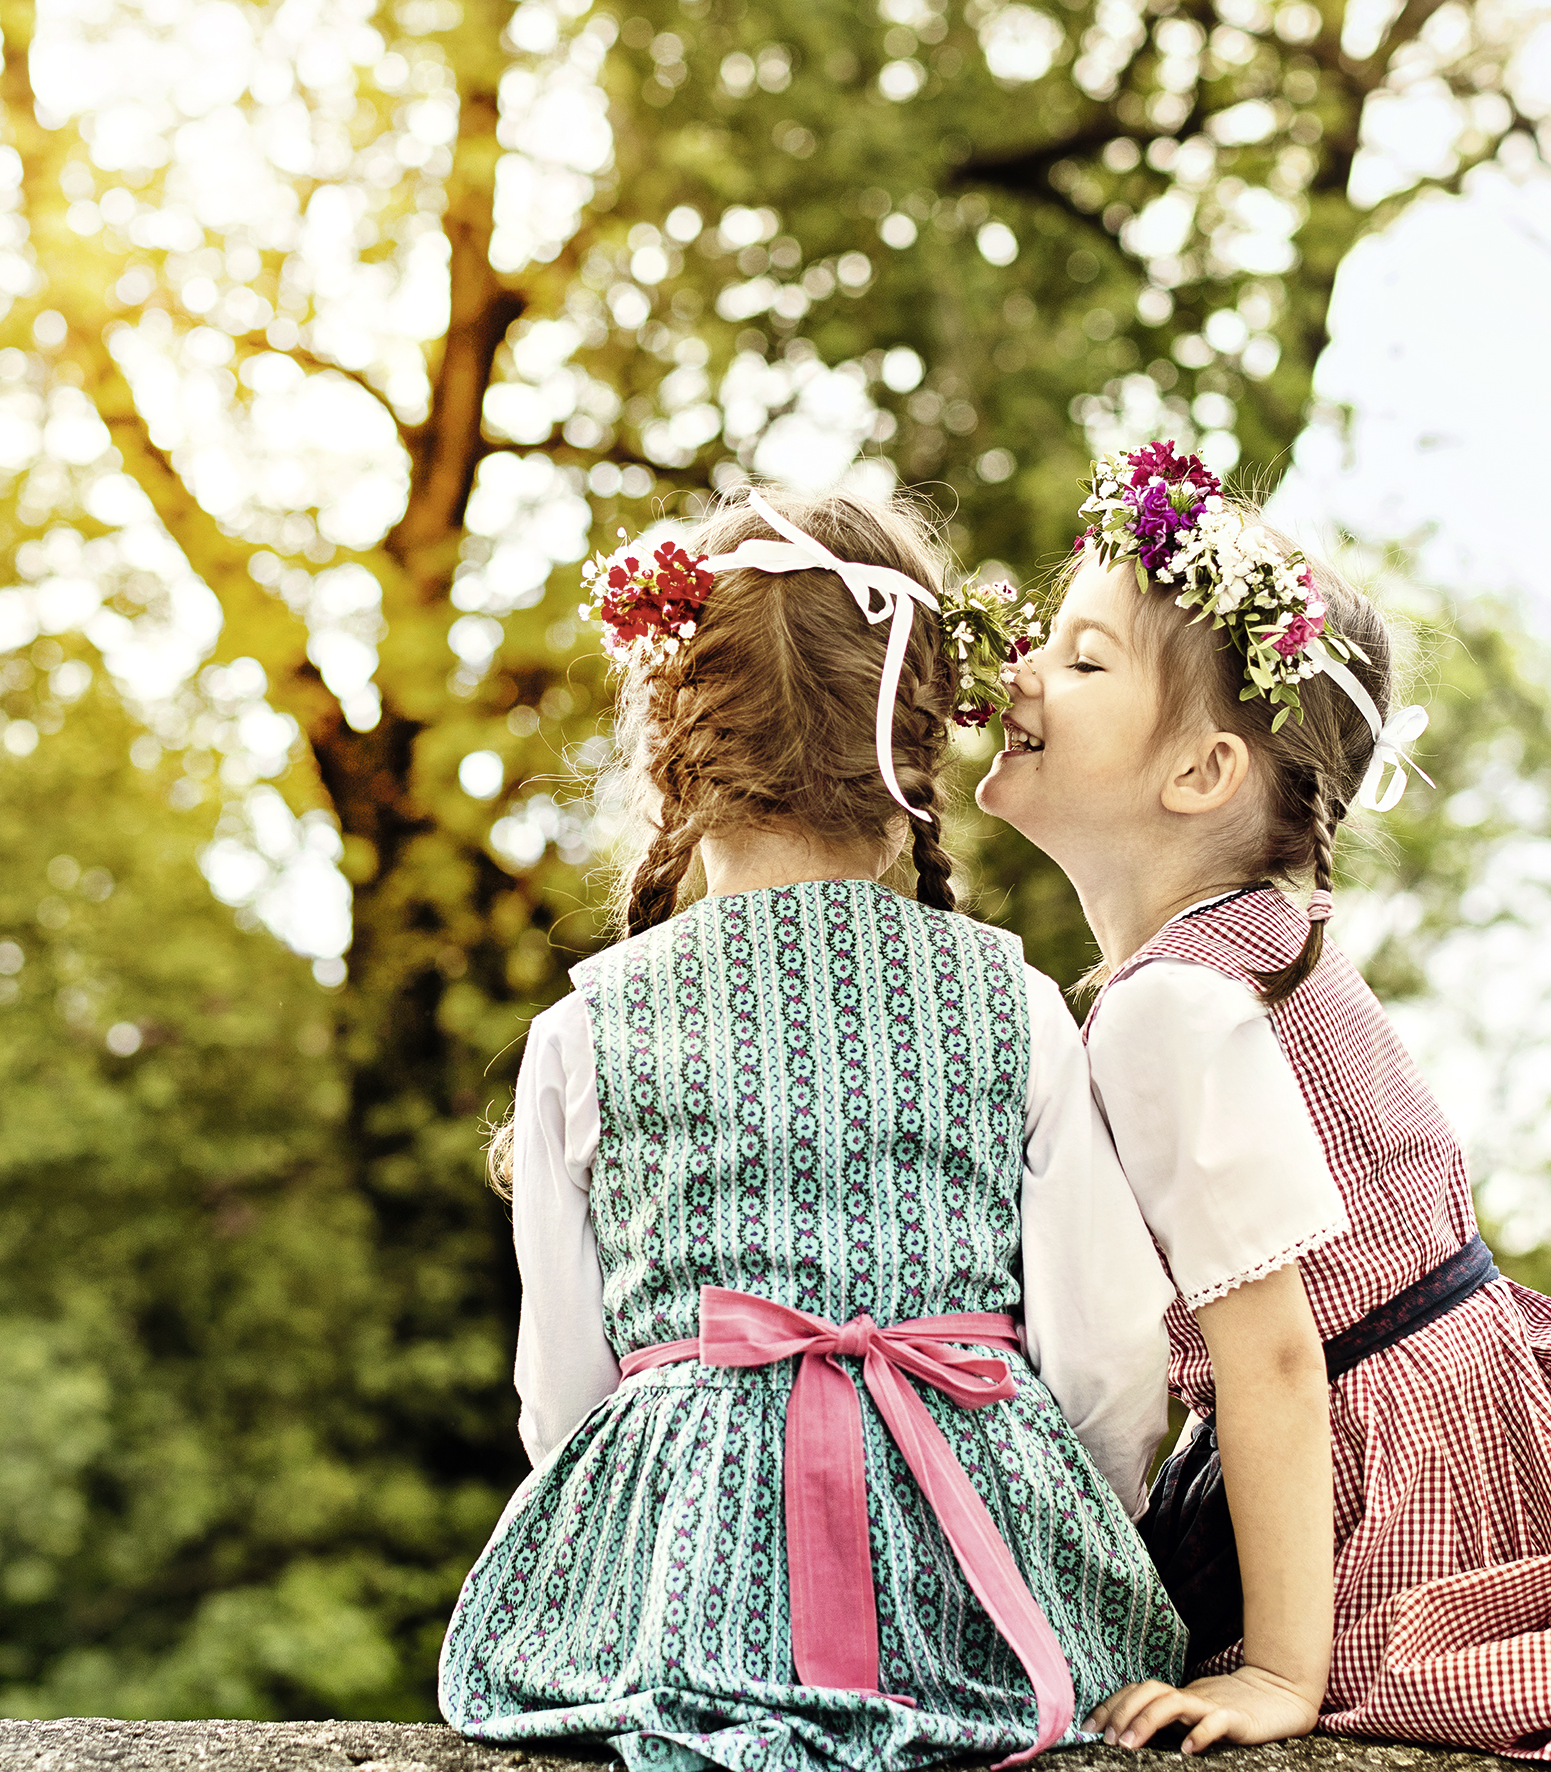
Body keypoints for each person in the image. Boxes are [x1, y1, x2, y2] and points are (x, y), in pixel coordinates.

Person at [978, 441, 1551, 1768]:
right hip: (1452, 1435)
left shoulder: (1170, 1009)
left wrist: (1273, 1672)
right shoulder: (1249, 946)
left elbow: (1271, 1356)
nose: (1018, 671)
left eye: (1080, 661)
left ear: (1198, 775)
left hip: (1373, 1488)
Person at [438, 487, 1183, 1772]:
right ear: (914, 745)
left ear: (670, 734)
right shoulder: (1009, 1000)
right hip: (983, 1586)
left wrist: (622, 1541)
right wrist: (1075, 1528)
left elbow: (561, 1393)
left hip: (687, 1609)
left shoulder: (586, 1028)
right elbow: (1112, 1362)